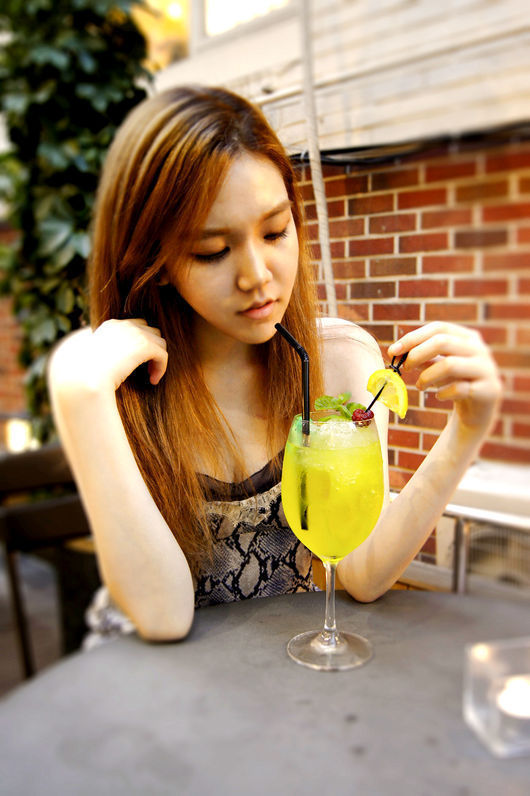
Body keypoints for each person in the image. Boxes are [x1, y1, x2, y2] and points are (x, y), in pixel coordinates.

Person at [47, 85, 502, 645]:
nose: (258, 276)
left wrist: (466, 432)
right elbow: (163, 617)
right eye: (213, 250)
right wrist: (81, 395)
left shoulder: (340, 362)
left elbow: (361, 572)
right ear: (157, 262)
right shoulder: (111, 380)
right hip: (142, 670)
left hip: (278, 665)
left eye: (275, 231)